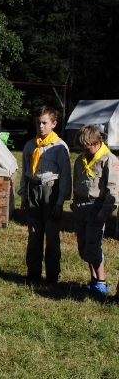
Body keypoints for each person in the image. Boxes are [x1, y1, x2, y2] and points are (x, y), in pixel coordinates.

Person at [18, 105, 72, 285]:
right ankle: (33, 272)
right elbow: (25, 172)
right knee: (34, 233)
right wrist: (24, 197)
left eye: (44, 123)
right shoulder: (30, 145)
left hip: (51, 191)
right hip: (33, 190)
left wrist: (60, 201)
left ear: (53, 124)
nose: (41, 126)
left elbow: (65, 175)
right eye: (38, 123)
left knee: (52, 234)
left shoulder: (59, 147)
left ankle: (52, 274)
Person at [71, 125, 119, 294]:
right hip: (81, 206)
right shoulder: (81, 160)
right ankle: (93, 279)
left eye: (87, 147)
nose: (84, 151)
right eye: (82, 148)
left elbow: (113, 189)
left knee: (94, 244)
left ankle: (101, 282)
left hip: (96, 207)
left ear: (97, 143)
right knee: (84, 245)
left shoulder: (108, 160)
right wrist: (75, 202)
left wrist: (104, 213)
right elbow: (77, 182)